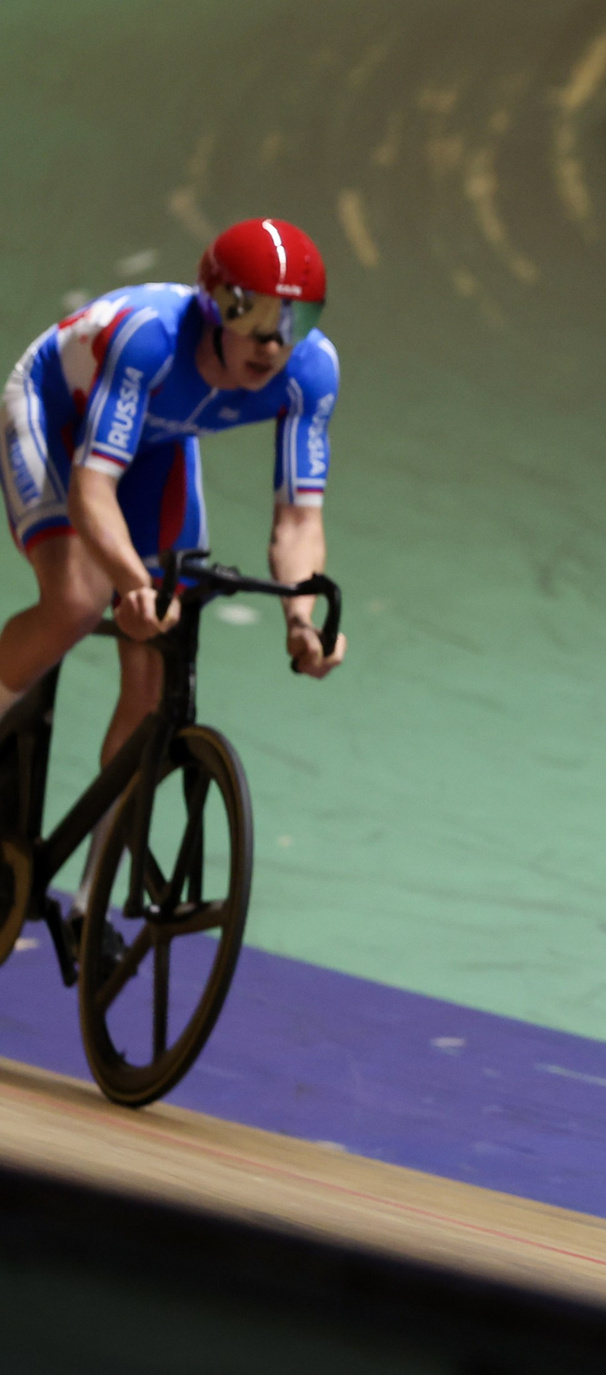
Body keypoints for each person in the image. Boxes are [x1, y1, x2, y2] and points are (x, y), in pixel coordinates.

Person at [0, 216, 346, 904]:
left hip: (157, 446)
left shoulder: (312, 369)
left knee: (155, 669)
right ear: (215, 306)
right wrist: (130, 580)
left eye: (295, 316)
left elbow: (299, 517)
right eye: (255, 314)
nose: (275, 340)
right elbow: (93, 486)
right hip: (55, 414)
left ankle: (93, 895)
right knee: (76, 599)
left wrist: (301, 618)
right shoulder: (150, 340)